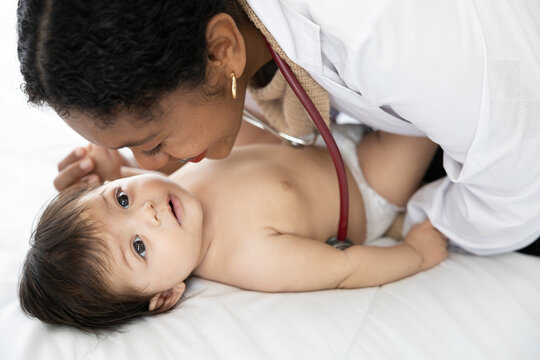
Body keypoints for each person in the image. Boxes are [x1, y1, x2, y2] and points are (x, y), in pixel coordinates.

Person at [16, 0, 540, 255]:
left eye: (153, 142)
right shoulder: (215, 42)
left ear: (222, 51)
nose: (155, 164)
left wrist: (413, 222)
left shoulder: (380, 31)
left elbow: (521, 186)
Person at [19, 124, 446, 331]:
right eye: (139, 247)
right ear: (166, 295)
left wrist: (113, 163)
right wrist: (414, 254)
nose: (146, 211)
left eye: (122, 199)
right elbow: (344, 268)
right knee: (425, 111)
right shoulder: (248, 257)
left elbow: (147, 164)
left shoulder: (172, 187)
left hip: (321, 134)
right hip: (364, 182)